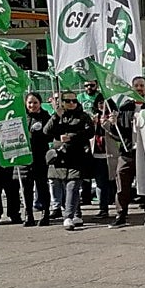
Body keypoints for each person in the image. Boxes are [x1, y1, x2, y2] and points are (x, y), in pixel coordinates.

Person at [106, 76, 145, 227]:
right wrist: (113, 124)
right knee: (122, 184)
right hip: (127, 152)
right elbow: (118, 134)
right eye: (136, 85)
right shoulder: (125, 108)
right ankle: (121, 214)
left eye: (142, 85)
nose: (139, 88)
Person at [43, 91, 95, 230]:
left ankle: (68, 217)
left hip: (77, 157)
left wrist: (72, 136)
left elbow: (90, 132)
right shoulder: (57, 116)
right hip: (59, 158)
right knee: (64, 187)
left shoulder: (83, 116)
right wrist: (56, 115)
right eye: (68, 101)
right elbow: (47, 131)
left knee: (73, 186)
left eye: (74, 101)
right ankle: (76, 213)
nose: (71, 103)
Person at [20, 92, 52, 227]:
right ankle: (29, 214)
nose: (32, 105)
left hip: (40, 156)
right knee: (26, 188)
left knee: (42, 186)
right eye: (29, 103)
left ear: (40, 103)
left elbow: (50, 135)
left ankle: (45, 214)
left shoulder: (45, 116)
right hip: (26, 156)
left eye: (35, 102)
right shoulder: (22, 117)